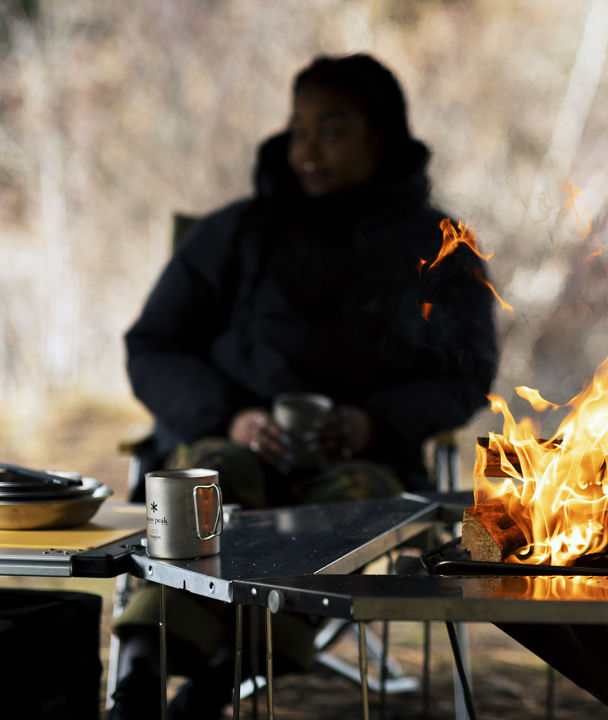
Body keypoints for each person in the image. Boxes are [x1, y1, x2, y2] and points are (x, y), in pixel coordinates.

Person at [109, 53, 498, 719]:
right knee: (211, 478)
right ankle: (140, 679)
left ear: (381, 137)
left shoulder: (440, 248)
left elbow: (464, 370)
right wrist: (231, 417)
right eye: (298, 130)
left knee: (353, 510)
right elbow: (152, 345)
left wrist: (367, 425)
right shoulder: (236, 232)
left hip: (360, 462)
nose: (308, 149)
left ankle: (217, 689)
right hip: (231, 444)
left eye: (332, 129)